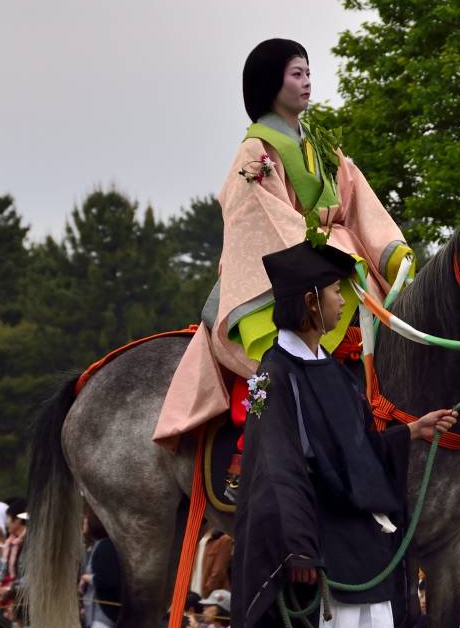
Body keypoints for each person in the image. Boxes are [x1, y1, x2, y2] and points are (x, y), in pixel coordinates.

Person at [155, 38, 415, 448]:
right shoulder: (254, 151)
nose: (308, 82)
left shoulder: (322, 145)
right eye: (297, 74)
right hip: (282, 270)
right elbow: (261, 218)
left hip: (339, 258)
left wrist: (388, 248)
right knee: (280, 353)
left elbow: (358, 198)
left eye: (309, 73)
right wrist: (324, 253)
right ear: (270, 84)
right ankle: (268, 440)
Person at [230, 241, 456, 628]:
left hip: (366, 556)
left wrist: (409, 433)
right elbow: (279, 471)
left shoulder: (334, 370)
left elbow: (356, 448)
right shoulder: (274, 377)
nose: (342, 302)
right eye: (335, 292)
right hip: (321, 562)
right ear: (312, 301)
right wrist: (298, 550)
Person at [78, 511, 119, 628]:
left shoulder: (105, 546)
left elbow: (108, 579)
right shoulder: (101, 545)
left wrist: (86, 578)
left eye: (85, 522)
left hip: (103, 613)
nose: (83, 525)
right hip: (97, 612)